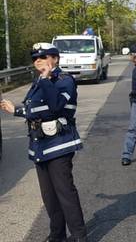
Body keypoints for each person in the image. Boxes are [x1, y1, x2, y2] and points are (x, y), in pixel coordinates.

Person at [0, 43, 87, 242]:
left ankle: (80, 236)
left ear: (54, 59)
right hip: (40, 144)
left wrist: (47, 80)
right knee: (49, 196)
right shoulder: (39, 81)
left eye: (43, 56)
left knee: (65, 192)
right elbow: (34, 111)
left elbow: (56, 107)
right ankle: (57, 235)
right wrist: (15, 110)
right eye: (35, 58)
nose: (37, 60)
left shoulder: (64, 80)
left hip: (59, 143)